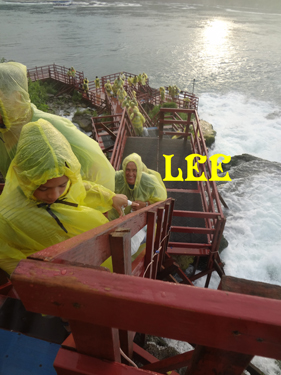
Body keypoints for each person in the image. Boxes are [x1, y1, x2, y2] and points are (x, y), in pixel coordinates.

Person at [0, 119, 133, 275]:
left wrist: (111, 197)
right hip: (55, 278)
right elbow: (7, 256)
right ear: (25, 179)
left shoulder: (67, 185)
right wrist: (36, 275)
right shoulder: (8, 216)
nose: (54, 195)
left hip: (92, 263)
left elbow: (82, 188)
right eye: (43, 188)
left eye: (62, 186)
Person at [0, 62, 115, 191]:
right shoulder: (5, 130)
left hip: (66, 201)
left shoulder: (49, 127)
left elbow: (95, 167)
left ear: (17, 97)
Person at [108, 153, 167, 220]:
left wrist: (145, 205)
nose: (130, 174)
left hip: (141, 221)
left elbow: (161, 201)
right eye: (127, 170)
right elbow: (104, 190)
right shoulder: (117, 178)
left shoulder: (148, 181)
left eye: (134, 170)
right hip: (116, 221)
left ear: (139, 170)